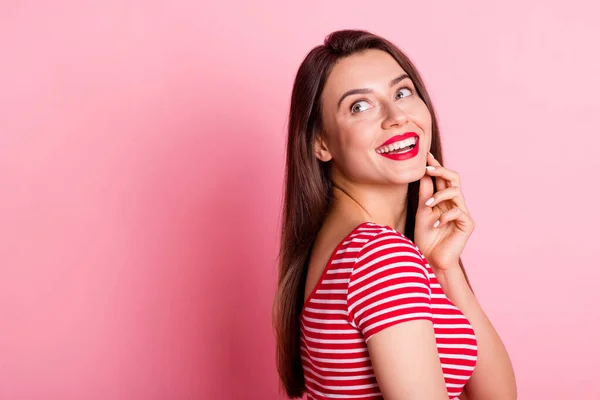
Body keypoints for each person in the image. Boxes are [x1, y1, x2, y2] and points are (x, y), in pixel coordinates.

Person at [272, 29, 517, 400]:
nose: (397, 116)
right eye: (360, 106)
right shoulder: (381, 256)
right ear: (321, 143)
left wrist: (444, 269)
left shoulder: (350, 246)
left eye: (402, 93)